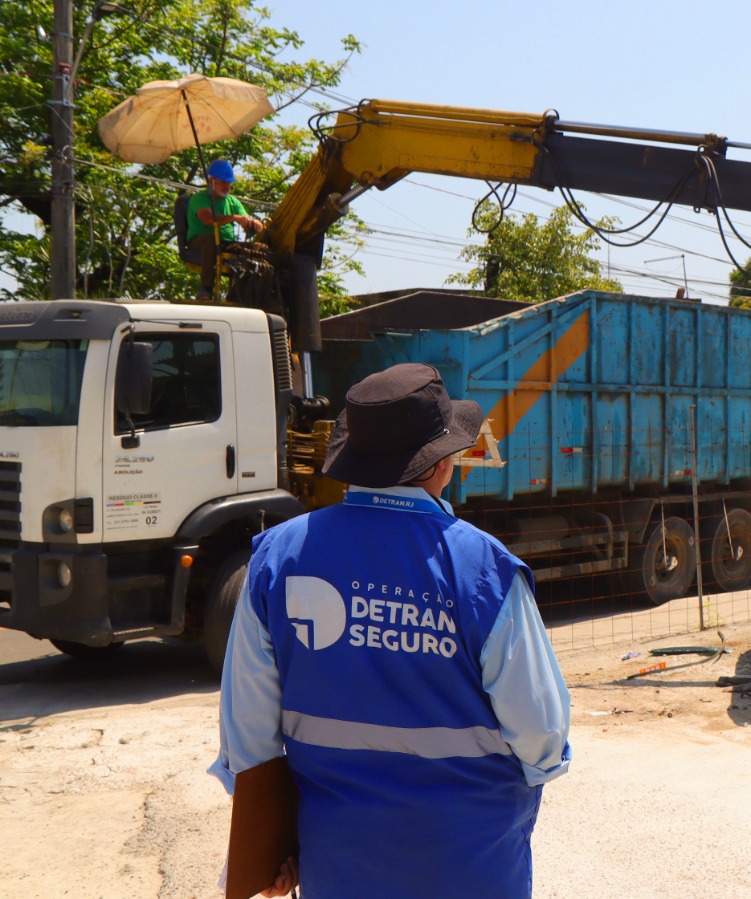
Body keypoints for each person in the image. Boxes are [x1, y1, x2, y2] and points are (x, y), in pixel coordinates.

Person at [210, 362, 572, 898]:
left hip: (340, 866)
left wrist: (269, 842)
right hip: (472, 864)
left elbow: (248, 737)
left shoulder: (275, 560)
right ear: (440, 464)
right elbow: (542, 733)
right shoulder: (483, 569)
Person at [188, 159, 265, 301]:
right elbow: (208, 219)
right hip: (199, 242)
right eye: (222, 182)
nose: (226, 186)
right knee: (210, 238)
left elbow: (248, 219)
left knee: (256, 250)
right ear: (211, 180)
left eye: (228, 182)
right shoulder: (200, 198)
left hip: (225, 243)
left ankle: (243, 294)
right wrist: (234, 217)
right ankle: (205, 289)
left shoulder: (233, 201)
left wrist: (253, 223)